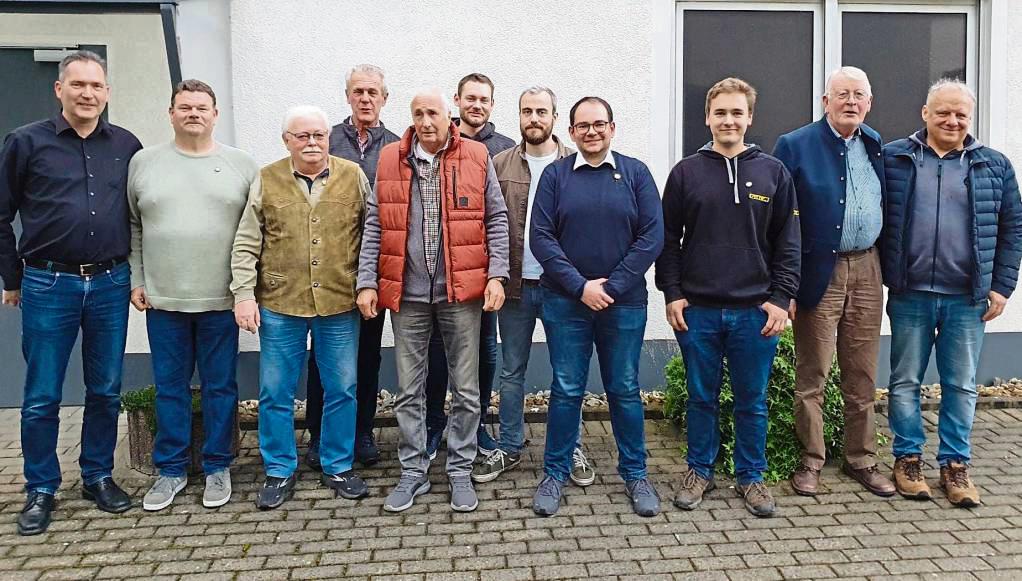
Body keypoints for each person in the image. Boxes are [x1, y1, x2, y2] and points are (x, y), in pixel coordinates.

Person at [0, 50, 142, 535]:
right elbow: (0, 214)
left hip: (109, 280)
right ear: (58, 89)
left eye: (96, 86)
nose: (88, 94)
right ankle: (41, 487)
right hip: (48, 282)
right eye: (77, 85)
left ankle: (97, 476)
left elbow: (138, 215)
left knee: (105, 389)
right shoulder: (25, 143)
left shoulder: (125, 144)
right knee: (42, 394)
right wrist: (12, 278)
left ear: (106, 92)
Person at [357, 89, 509, 513]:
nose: (426, 121)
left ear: (449, 116)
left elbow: (496, 218)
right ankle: (413, 470)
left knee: (466, 387)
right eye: (418, 114)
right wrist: (367, 282)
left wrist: (497, 275)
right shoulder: (390, 158)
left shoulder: (476, 156)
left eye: (434, 113)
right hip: (406, 295)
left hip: (461, 293)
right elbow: (375, 223)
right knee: (409, 388)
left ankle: (459, 469)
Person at [657, 78, 800, 518]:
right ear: (707, 117)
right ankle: (700, 469)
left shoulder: (774, 172)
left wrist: (781, 297)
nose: (728, 120)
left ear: (749, 118)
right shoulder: (685, 172)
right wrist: (673, 293)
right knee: (701, 397)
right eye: (720, 112)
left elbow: (789, 241)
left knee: (750, 400)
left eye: (737, 113)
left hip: (754, 312)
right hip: (698, 310)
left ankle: (751, 477)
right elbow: (667, 239)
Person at [881, 79, 1022, 507]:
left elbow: (1012, 229)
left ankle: (955, 466)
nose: (952, 120)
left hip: (967, 297)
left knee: (961, 385)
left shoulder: (994, 165)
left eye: (961, 113)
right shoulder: (894, 158)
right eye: (943, 112)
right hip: (911, 293)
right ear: (925, 113)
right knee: (905, 380)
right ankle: (907, 460)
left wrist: (1001, 287)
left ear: (970, 118)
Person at [530, 96, 664, 517]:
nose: (592, 131)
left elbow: (652, 236)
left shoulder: (636, 173)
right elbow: (541, 238)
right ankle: (554, 473)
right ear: (570, 131)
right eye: (583, 125)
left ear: (612, 127)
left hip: (623, 305)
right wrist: (580, 287)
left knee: (623, 389)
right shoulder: (555, 176)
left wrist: (613, 286)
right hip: (565, 303)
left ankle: (636, 474)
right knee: (566, 389)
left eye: (599, 124)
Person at [231, 106, 371, 510]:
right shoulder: (267, 179)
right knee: (275, 391)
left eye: (318, 135)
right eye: (302, 136)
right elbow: (246, 241)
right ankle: (278, 469)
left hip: (338, 302)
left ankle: (338, 464)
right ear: (286, 140)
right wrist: (243, 294)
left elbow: (372, 233)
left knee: (342, 388)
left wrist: (368, 284)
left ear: (329, 137)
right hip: (280, 302)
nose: (312, 143)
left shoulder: (352, 175)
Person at [130, 79, 258, 511]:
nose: (193, 114)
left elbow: (256, 232)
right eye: (184, 107)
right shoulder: (144, 163)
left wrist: (246, 292)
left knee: (221, 387)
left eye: (202, 107)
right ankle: (170, 470)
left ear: (215, 114)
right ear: (171, 113)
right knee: (170, 388)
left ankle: (218, 465)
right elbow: (132, 226)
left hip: (221, 301)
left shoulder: (241, 164)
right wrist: (137, 277)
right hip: (164, 300)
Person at [773, 67, 895, 497]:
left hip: (867, 267)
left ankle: (861, 459)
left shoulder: (876, 144)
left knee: (861, 373)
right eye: (841, 94)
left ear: (869, 102)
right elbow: (779, 220)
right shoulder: (795, 145)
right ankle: (811, 461)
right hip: (818, 271)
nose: (850, 102)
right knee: (814, 373)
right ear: (825, 101)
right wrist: (784, 285)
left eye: (858, 95)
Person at [472, 85, 594, 486]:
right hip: (515, 286)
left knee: (567, 373)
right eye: (527, 111)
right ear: (518, 116)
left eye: (542, 111)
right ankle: (509, 446)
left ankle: (570, 446)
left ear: (555, 118)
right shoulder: (499, 163)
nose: (534, 119)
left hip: (563, 287)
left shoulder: (576, 164)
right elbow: (490, 223)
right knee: (512, 372)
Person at [304, 64, 399, 470]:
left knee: (367, 355)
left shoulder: (397, 147)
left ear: (384, 98)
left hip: (375, 272)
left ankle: (361, 431)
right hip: (328, 269)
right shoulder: (327, 143)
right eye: (358, 91)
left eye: (372, 92)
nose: (365, 99)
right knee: (322, 355)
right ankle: (318, 434)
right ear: (347, 96)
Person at [424, 73, 516, 459]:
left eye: (485, 99)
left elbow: (500, 214)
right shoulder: (435, 143)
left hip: (482, 274)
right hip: (440, 274)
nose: (477, 105)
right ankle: (433, 424)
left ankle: (476, 425)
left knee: (484, 351)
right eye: (470, 98)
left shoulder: (504, 148)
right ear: (457, 102)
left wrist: (498, 269)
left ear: (492, 105)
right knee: (436, 352)